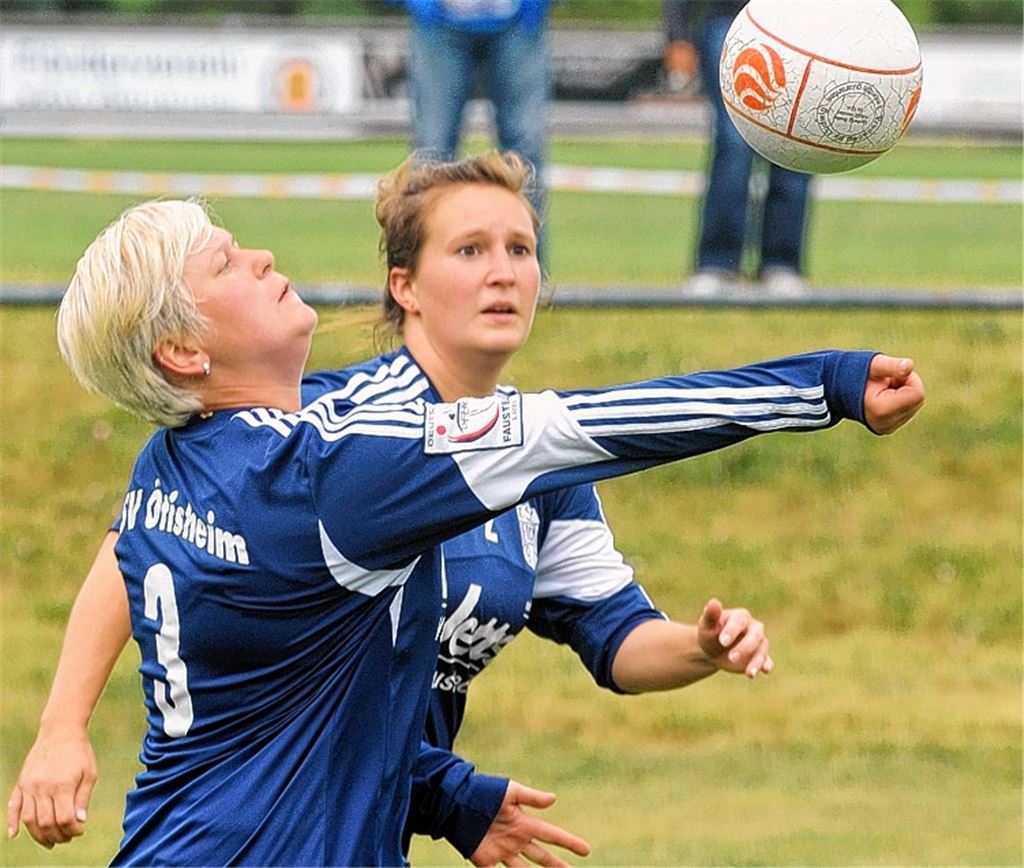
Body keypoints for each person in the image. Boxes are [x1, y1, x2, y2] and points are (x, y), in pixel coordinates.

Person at [7, 153, 923, 865]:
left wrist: (441, 794)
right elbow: (599, 423)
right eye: (228, 263)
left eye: (522, 247)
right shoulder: (335, 472)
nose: (265, 254)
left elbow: (283, 693)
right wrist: (825, 382)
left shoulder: (177, 458)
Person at [663, 0, 813, 297]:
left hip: (803, 26)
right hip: (731, 21)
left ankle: (781, 264)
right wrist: (677, 33)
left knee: (795, 143)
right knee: (733, 145)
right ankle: (717, 263)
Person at [400, 0, 552, 230]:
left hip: (517, 22)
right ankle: (423, 260)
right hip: (441, 22)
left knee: (526, 154)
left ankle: (526, 261)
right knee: (431, 155)